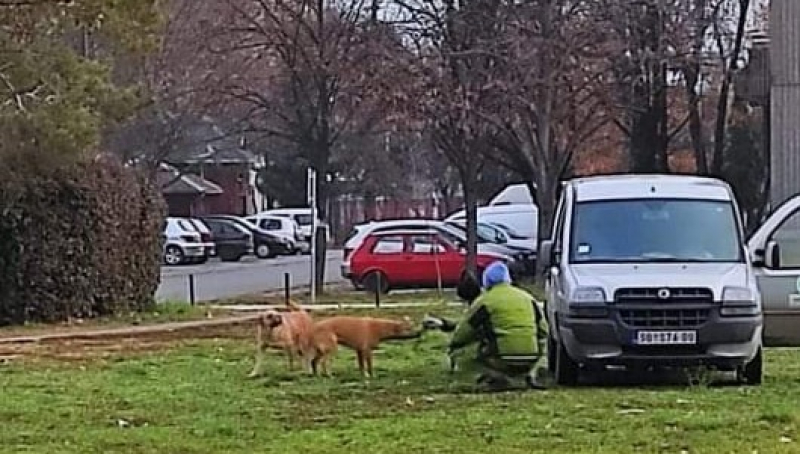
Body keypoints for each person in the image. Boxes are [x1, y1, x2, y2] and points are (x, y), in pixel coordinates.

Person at [440, 261, 550, 391]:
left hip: (501, 359)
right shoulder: (528, 298)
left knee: (466, 352)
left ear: (486, 281)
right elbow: (544, 330)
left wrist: (453, 347)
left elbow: (462, 334)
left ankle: (490, 377)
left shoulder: (484, 301)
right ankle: (529, 375)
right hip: (531, 357)